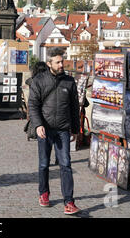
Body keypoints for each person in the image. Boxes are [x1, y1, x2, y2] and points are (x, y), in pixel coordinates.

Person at [28, 48, 81, 215]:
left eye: (62, 61)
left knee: (65, 164)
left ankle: (69, 201)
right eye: (58, 62)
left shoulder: (69, 81)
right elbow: (33, 105)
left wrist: (75, 129)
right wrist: (38, 125)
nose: (61, 65)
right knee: (44, 164)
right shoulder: (39, 80)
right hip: (45, 129)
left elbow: (74, 107)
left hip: (63, 130)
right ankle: (44, 193)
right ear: (49, 63)